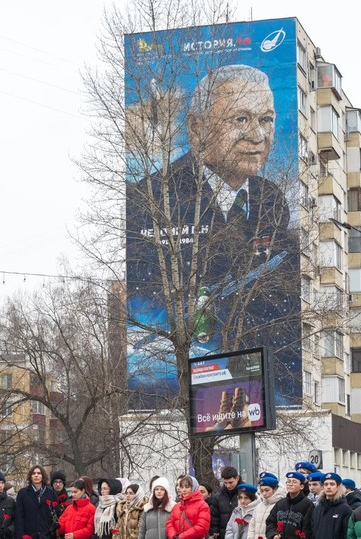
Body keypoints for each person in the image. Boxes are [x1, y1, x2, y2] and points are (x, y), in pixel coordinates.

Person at [125, 63, 298, 406]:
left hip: (255, 383)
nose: (258, 136)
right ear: (197, 128)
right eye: (241, 120)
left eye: (266, 120)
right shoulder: (148, 199)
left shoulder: (270, 199)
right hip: (180, 389)